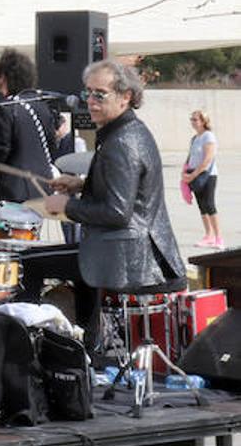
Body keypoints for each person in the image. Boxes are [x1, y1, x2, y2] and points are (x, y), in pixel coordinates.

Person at [45, 60, 186, 294]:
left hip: (134, 264)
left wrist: (67, 206)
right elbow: (131, 190)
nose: (90, 101)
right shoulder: (125, 131)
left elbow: (117, 213)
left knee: (27, 265)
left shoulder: (122, 142)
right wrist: (82, 185)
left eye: (100, 95)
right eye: (87, 93)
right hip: (130, 256)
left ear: (125, 96)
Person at [0, 49, 60, 204]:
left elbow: (1, 151)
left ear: (3, 78)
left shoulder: (5, 107)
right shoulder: (42, 106)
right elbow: (52, 146)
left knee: (4, 227)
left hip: (14, 191)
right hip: (42, 187)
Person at [184, 109, 222, 248]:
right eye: (191, 119)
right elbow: (191, 158)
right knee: (202, 206)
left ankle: (218, 238)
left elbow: (208, 159)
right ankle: (208, 236)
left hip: (208, 176)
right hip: (194, 174)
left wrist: (193, 175)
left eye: (195, 119)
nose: (192, 122)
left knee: (209, 205)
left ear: (203, 121)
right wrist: (185, 173)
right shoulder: (195, 138)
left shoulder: (208, 136)